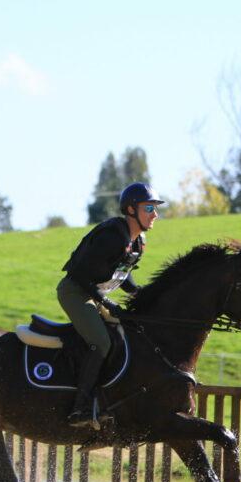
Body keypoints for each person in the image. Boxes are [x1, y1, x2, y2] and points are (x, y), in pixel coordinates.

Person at [58, 181, 163, 427]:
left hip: (95, 294)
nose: (155, 214)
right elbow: (80, 275)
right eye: (149, 208)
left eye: (155, 208)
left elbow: (123, 276)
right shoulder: (111, 237)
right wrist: (106, 302)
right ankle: (80, 408)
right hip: (75, 292)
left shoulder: (138, 242)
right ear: (130, 210)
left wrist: (142, 293)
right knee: (101, 342)